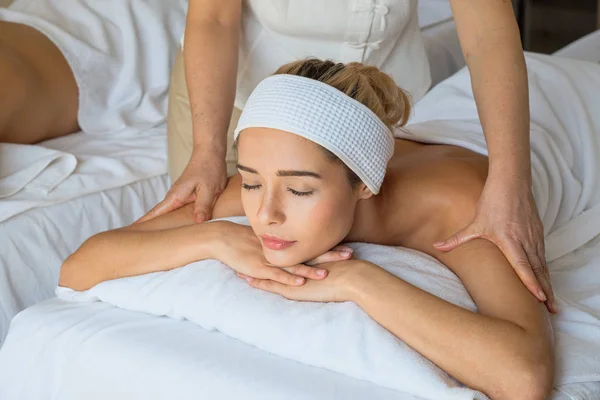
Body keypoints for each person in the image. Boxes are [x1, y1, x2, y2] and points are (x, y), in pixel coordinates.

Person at [60, 59, 555, 399]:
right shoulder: (276, 174)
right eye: (251, 183)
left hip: (557, 123)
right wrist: (211, 236)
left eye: (299, 192)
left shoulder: (461, 210)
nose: (266, 215)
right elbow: (80, 267)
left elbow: (524, 378)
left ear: (364, 184)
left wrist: (358, 281)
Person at [143, 0, 555, 312]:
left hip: (376, 104)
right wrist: (208, 151)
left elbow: (487, 33)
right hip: (239, 98)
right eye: (252, 184)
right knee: (202, 262)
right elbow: (213, 18)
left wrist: (510, 179)